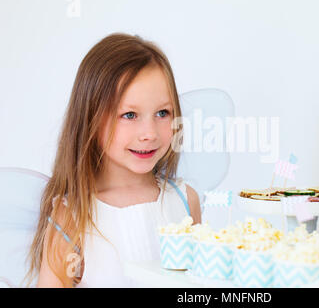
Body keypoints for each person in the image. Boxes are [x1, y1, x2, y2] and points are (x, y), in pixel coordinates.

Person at [24, 33, 201, 287]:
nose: (149, 133)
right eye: (129, 115)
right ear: (90, 119)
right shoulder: (72, 215)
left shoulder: (186, 201)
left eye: (162, 113)